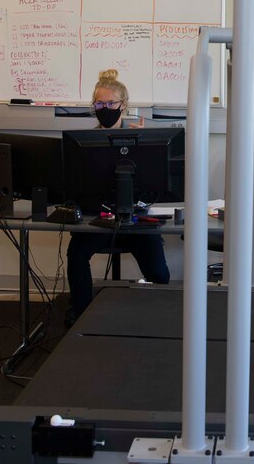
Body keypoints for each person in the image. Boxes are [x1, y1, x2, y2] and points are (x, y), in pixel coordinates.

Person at [65, 69, 170, 325]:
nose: (105, 108)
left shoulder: (141, 137)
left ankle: (160, 319)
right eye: (99, 103)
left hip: (135, 219)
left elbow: (156, 187)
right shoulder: (84, 143)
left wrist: (145, 146)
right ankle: (81, 314)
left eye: (111, 103)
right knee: (76, 253)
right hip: (98, 219)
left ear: (124, 105)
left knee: (159, 273)